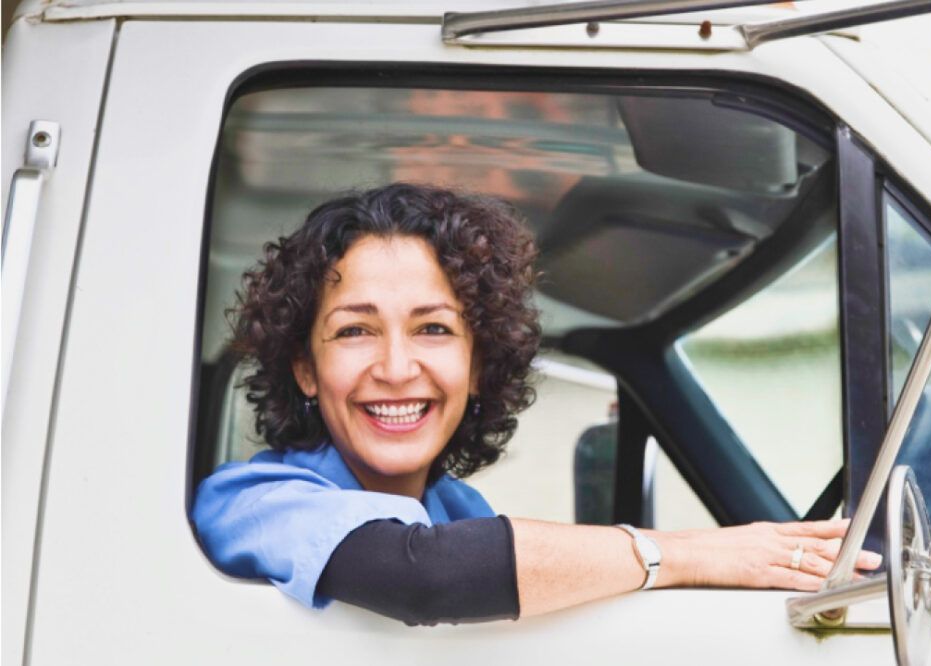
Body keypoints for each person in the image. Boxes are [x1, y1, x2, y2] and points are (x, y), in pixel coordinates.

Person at [192, 183, 881, 626]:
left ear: (479, 362)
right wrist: (691, 554)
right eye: (354, 331)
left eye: (434, 328)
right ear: (305, 370)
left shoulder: (459, 512)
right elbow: (423, 573)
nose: (397, 369)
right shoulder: (254, 499)